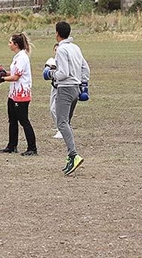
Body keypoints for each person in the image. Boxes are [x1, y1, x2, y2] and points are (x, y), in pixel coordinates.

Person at [44, 21, 89, 175]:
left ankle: (74, 155)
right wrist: (84, 85)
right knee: (66, 123)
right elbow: (85, 68)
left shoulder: (62, 49)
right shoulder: (76, 47)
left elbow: (63, 73)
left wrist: (50, 74)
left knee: (61, 123)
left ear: (57, 33)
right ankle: (70, 158)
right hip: (76, 88)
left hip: (65, 89)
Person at [0, 33, 37, 157]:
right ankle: (11, 145)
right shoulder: (17, 57)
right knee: (12, 120)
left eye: (10, 42)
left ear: (16, 44)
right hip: (13, 93)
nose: (8, 44)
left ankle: (32, 148)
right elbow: (14, 72)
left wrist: (2, 79)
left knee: (24, 120)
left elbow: (16, 77)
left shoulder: (22, 57)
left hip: (21, 94)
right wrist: (3, 73)